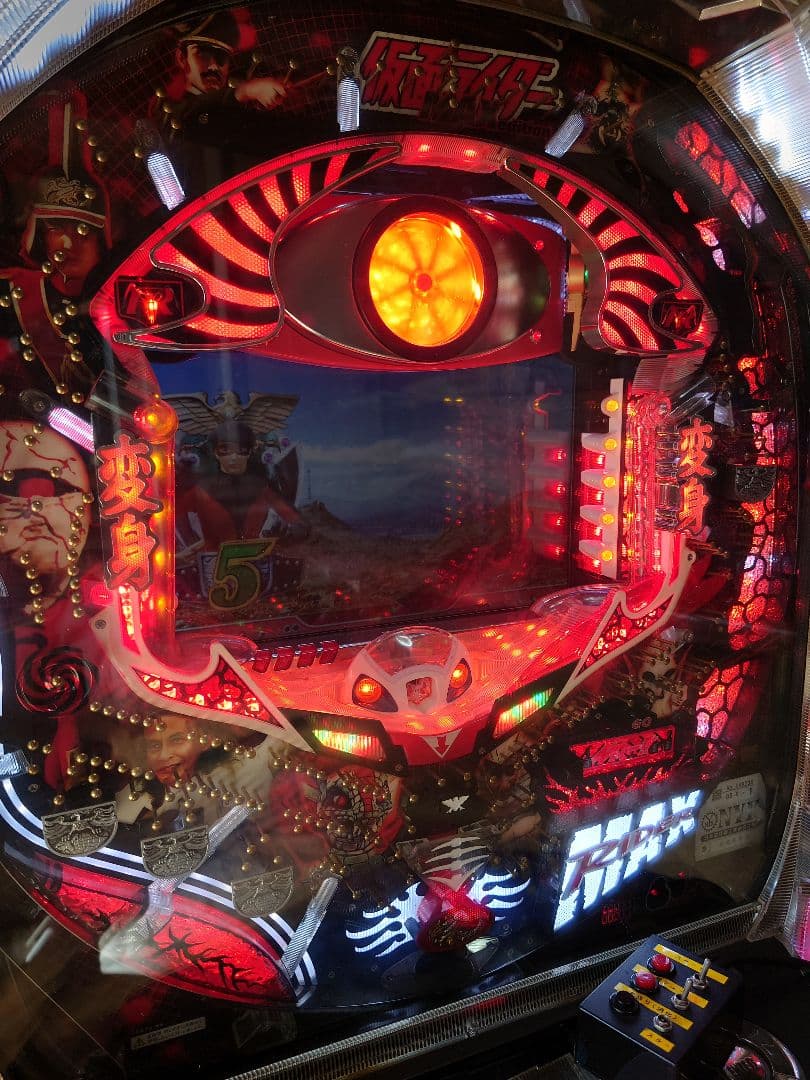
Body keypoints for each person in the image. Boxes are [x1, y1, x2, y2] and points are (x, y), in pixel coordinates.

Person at [159, 11, 287, 123]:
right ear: (182, 58)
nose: (214, 66)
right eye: (203, 55)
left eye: (222, 57)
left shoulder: (240, 108)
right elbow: (191, 116)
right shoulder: (170, 111)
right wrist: (245, 91)